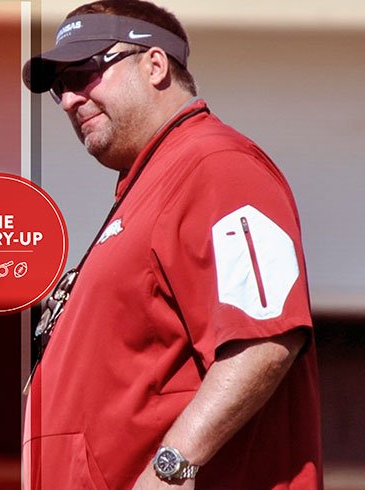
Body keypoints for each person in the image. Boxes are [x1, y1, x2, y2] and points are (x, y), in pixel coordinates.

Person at [21, 1, 321, 488]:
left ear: (155, 64)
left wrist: (172, 468)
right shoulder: (150, 186)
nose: (70, 100)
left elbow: (264, 336)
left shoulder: (216, 163)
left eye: (82, 73)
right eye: (59, 88)